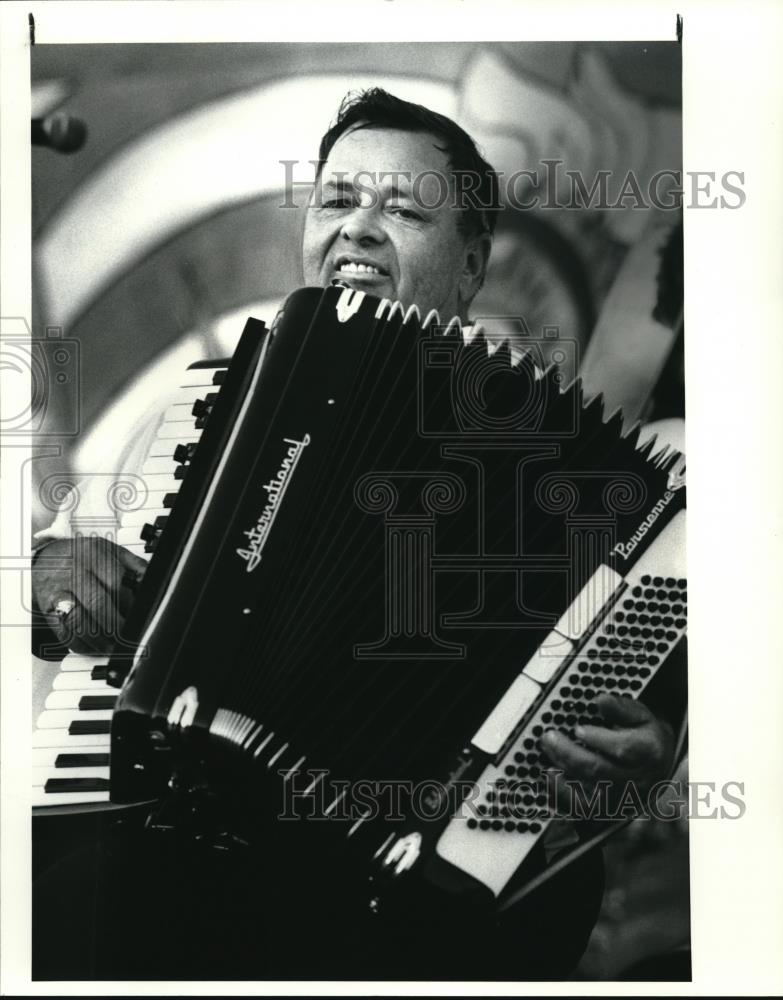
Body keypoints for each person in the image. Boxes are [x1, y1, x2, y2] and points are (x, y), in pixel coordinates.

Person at [32, 88, 681, 980]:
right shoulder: (205, 407)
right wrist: (48, 570)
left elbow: (648, 746)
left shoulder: (565, 465)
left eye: (404, 211)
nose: (359, 230)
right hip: (176, 845)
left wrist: (648, 763)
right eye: (337, 201)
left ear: (470, 264)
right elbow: (56, 587)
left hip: (409, 911)